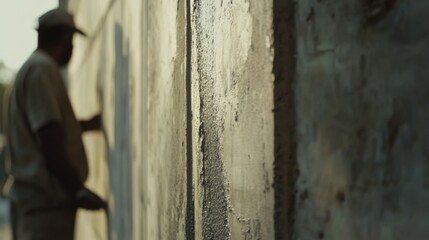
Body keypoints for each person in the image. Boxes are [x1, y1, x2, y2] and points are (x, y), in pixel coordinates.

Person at [4, 8, 106, 240]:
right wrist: (77, 189)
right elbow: (49, 137)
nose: (73, 47)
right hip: (45, 208)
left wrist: (86, 125)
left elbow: (46, 128)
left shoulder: (29, 69)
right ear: (61, 38)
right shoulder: (42, 69)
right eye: (71, 40)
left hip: (36, 206)